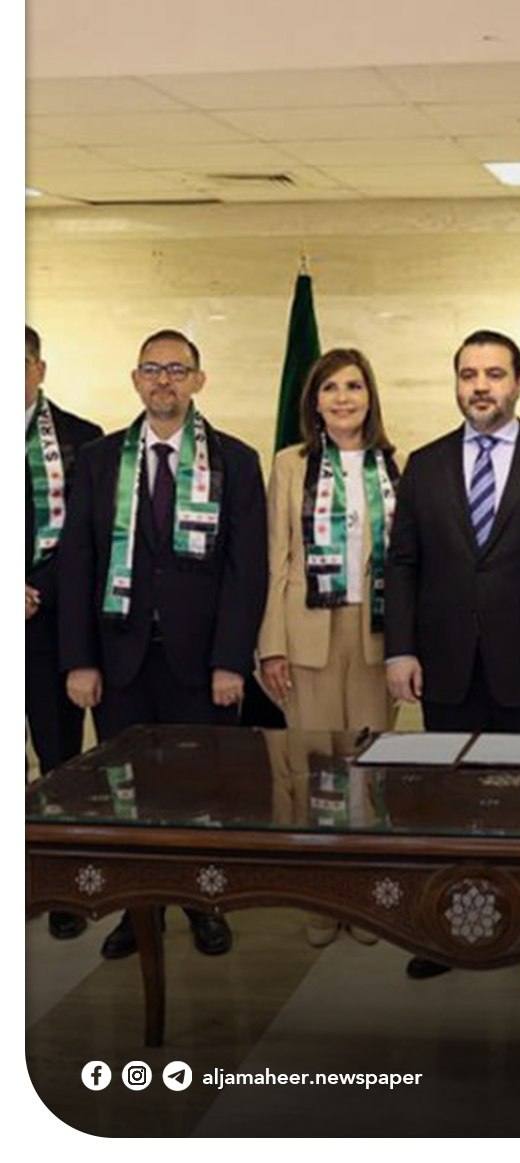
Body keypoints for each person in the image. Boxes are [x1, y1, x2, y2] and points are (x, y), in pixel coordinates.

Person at [385, 328, 520, 987]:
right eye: (469, 374)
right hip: (446, 667)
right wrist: (400, 649)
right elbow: (403, 563)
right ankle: (450, 929)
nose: (480, 386)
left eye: (494, 374)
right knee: (448, 805)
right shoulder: (423, 465)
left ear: (519, 383)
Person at [58, 329, 267, 960]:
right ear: (135, 380)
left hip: (201, 666)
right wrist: (79, 660)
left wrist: (231, 661)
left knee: (202, 791)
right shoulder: (99, 460)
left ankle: (204, 904)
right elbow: (77, 563)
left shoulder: (235, 460)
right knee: (126, 794)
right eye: (152, 369)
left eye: (177, 369)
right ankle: (137, 910)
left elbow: (247, 572)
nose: (163, 380)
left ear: (198, 381)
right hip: (120, 660)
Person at [258, 347, 400, 947]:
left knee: (370, 768)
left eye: (354, 386)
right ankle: (320, 897)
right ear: (313, 401)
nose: (343, 398)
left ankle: (365, 896)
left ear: (370, 397)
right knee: (311, 769)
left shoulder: (396, 463)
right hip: (307, 632)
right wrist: (271, 645)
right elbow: (276, 558)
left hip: (377, 634)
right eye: (330, 388)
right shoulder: (290, 464)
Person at [25, 324, 103, 941]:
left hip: (48, 624)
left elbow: (85, 541)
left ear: (39, 369)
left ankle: (64, 886)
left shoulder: (83, 440)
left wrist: (35, 591)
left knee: (60, 763)